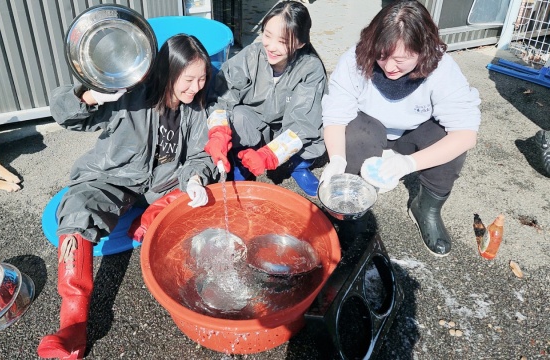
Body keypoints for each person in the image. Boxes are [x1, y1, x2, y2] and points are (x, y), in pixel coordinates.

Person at [37, 34, 216, 359]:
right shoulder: (130, 92)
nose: (196, 87)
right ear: (168, 72)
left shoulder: (196, 108)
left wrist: (194, 179)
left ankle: (150, 216)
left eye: (202, 79)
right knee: (77, 209)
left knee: (205, 194)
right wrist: (89, 94)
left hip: (163, 186)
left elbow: (200, 156)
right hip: (112, 177)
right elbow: (66, 114)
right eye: (188, 79)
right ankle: (72, 328)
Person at [320, 0, 481, 257]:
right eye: (381, 56)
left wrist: (408, 164)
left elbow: (465, 134)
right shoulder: (355, 59)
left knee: (447, 142)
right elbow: (336, 116)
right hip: (369, 125)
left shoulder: (442, 69)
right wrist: (337, 159)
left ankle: (426, 209)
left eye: (401, 60)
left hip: (412, 133)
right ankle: (351, 207)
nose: (389, 67)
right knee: (355, 136)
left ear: (423, 50)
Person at [205, 0, 327, 197]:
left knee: (318, 130)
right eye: (267, 35)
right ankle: (242, 161)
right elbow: (221, 95)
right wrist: (218, 133)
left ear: (300, 42)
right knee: (236, 115)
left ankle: (296, 165)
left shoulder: (310, 69)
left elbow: (303, 123)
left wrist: (270, 155)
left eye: (282, 41)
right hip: (256, 126)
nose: (271, 46)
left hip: (287, 130)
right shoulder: (251, 55)